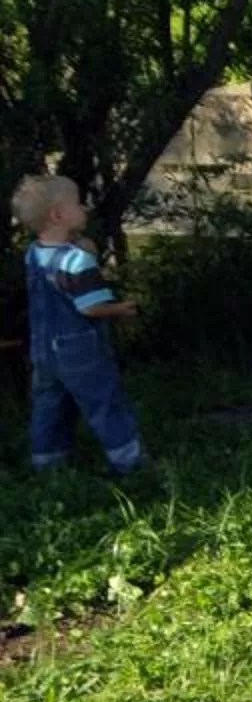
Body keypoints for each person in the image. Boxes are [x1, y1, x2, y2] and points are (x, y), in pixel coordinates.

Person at [16, 174, 145, 477]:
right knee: (104, 402)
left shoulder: (34, 254)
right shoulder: (77, 261)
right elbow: (91, 306)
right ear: (58, 214)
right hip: (80, 350)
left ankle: (48, 463)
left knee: (49, 406)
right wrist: (121, 309)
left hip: (43, 349)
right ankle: (130, 463)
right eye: (78, 204)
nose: (85, 208)